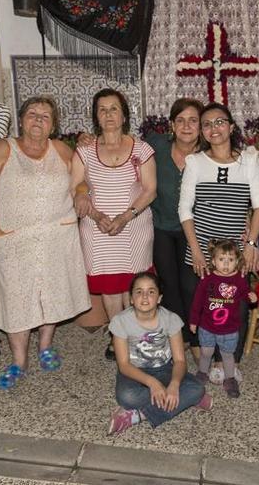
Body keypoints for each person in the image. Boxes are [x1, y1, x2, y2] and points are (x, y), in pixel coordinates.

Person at [0, 96, 90, 389]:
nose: (38, 120)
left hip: (56, 237)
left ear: (53, 125)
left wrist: (81, 192)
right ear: (21, 119)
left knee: (51, 292)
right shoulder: (1, 150)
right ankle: (18, 361)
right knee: (17, 298)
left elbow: (81, 179)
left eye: (46, 116)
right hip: (14, 239)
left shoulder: (62, 149)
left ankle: (46, 347)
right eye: (33, 114)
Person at [178, 102, 259, 383]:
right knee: (206, 305)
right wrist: (196, 250)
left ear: (230, 127)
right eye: (207, 124)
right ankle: (209, 357)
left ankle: (229, 361)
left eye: (219, 122)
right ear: (202, 132)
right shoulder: (195, 162)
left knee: (236, 306)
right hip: (202, 251)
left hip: (236, 253)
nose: (214, 128)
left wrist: (251, 243)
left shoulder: (249, 160)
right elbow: (184, 210)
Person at [73, 88, 156, 361]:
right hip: (97, 229)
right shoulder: (85, 150)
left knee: (132, 285)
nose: (108, 114)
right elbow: (75, 188)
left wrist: (123, 217)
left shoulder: (141, 149)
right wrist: (97, 216)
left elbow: (150, 190)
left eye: (114, 109)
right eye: (102, 109)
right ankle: (117, 335)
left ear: (124, 115)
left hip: (133, 226)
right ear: (96, 116)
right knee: (109, 287)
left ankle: (136, 335)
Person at [107, 272, 212, 435]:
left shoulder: (171, 319)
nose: (145, 297)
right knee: (126, 397)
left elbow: (179, 361)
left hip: (164, 369)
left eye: (151, 292)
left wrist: (175, 385)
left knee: (198, 388)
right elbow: (124, 365)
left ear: (159, 298)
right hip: (134, 371)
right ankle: (187, 400)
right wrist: (153, 384)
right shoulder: (120, 321)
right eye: (139, 292)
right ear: (131, 299)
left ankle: (137, 415)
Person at [144, 98, 205, 352]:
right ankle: (179, 337)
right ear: (171, 125)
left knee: (191, 284)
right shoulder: (155, 145)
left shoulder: (208, 154)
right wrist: (85, 139)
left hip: (193, 230)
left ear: (201, 126)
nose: (186, 126)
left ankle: (197, 336)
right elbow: (122, 147)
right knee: (168, 284)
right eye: (180, 120)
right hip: (162, 226)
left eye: (193, 120)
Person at [189, 239, 257, 398]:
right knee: (206, 352)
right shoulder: (207, 280)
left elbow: (245, 295)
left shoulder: (239, 280)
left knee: (227, 355)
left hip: (229, 329)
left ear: (237, 261)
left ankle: (230, 378)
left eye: (230, 260)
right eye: (221, 259)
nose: (226, 264)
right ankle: (202, 373)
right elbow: (197, 301)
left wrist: (251, 297)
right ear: (213, 261)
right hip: (207, 327)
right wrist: (193, 321)